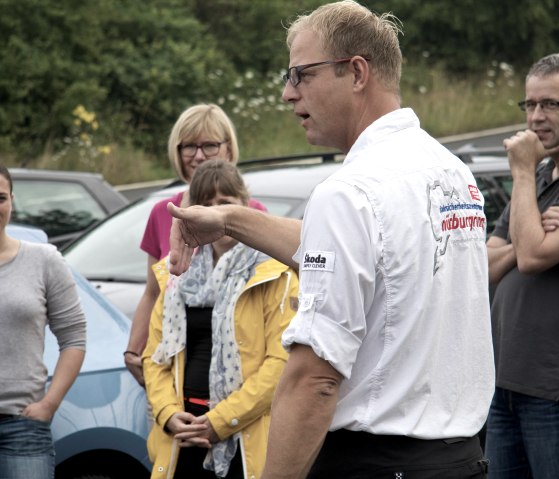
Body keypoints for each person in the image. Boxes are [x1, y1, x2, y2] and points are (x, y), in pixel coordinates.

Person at [166, 1, 495, 477]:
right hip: (459, 458)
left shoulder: (350, 191)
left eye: (300, 74)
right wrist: (230, 220)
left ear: (356, 72)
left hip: (373, 461)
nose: (286, 93)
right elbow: (361, 257)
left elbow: (315, 378)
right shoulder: (448, 170)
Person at [142, 160, 299, 479]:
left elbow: (280, 364)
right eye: (206, 204)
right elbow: (155, 358)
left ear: (245, 207)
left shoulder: (275, 272)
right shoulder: (175, 274)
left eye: (225, 203)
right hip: (181, 437)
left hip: (244, 438)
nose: (215, 213)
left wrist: (220, 421)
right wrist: (168, 414)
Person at [124, 104, 265, 386]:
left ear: (228, 148)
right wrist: (133, 349)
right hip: (168, 369)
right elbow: (153, 292)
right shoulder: (163, 211)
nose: (198, 155)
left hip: (236, 374)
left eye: (209, 145)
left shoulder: (253, 212)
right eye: (189, 146)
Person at [484, 53, 559, 479]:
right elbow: (486, 266)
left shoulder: (529, 173)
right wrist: (528, 237)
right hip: (504, 382)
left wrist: (523, 171)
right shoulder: (539, 177)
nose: (536, 118)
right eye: (529, 105)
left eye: (550, 104)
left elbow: (531, 259)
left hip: (552, 392)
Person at [0, 165, 86, 478]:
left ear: (12, 200)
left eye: (0, 198)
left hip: (23, 428)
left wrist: (49, 403)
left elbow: (74, 337)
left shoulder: (43, 259)